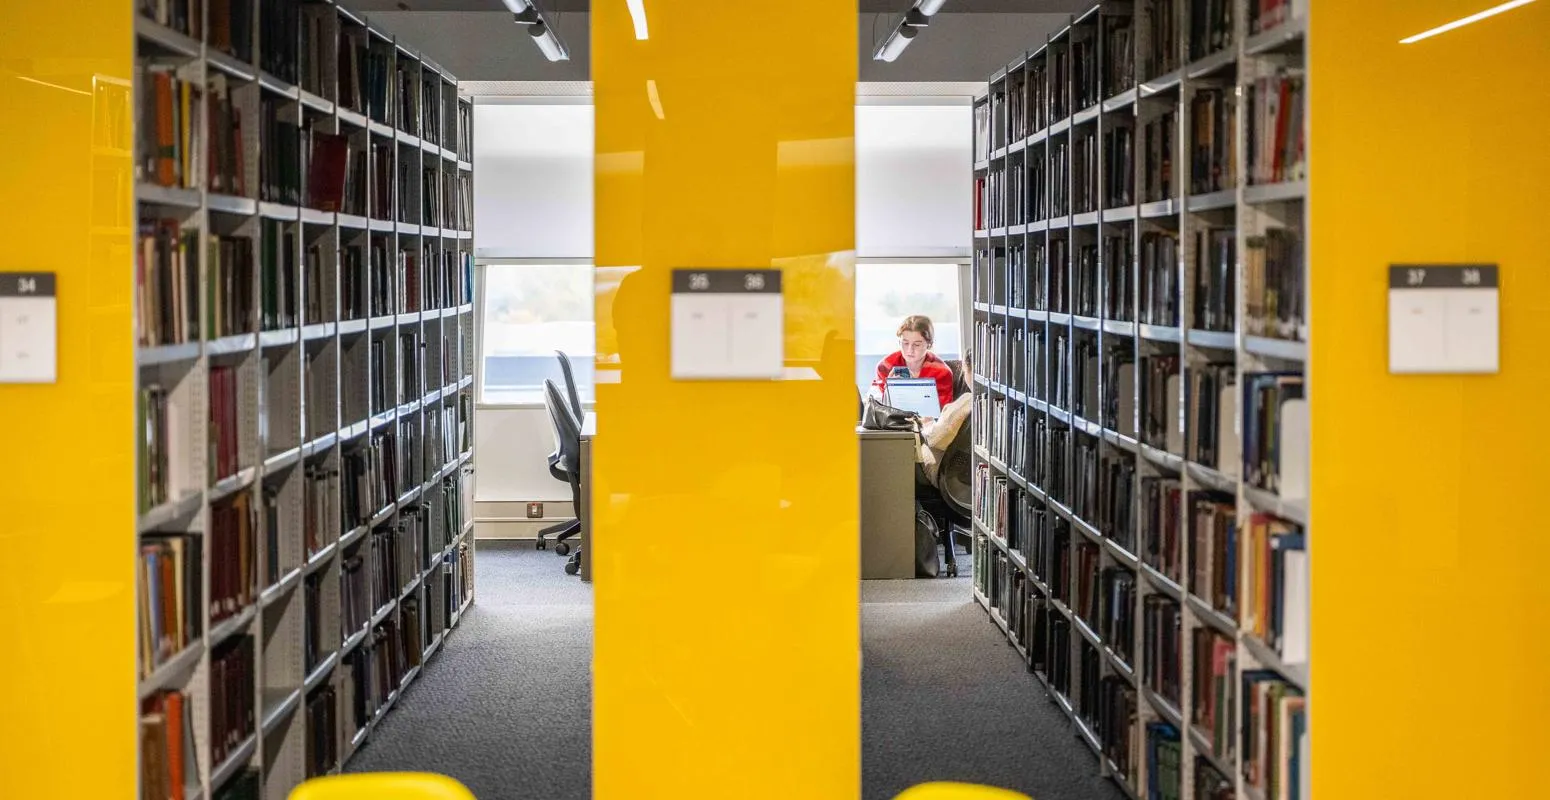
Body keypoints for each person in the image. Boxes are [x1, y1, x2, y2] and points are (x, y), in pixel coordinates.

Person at [869, 315, 955, 411]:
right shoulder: (886, 366)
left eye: (917, 344)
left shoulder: (942, 373)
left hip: (928, 424)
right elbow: (876, 407)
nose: (910, 350)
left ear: (929, 345)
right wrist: (888, 391)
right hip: (891, 423)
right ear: (899, 342)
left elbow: (944, 413)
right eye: (905, 343)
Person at [917, 351, 972, 488]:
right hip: (971, 475)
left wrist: (927, 424)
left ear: (968, 370)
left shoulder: (966, 401)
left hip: (950, 476)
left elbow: (935, 440)